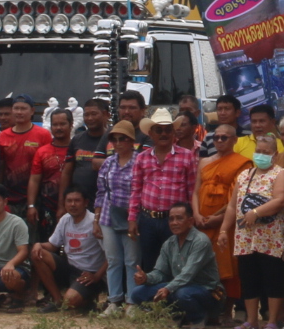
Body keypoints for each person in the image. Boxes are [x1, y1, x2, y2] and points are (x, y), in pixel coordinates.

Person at [223, 127, 284, 329]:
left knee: (273, 278)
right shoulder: (245, 175)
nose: (260, 155)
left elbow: (280, 200)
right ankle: (251, 321)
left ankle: (271, 320)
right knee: (249, 278)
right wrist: (224, 230)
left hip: (271, 238)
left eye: (265, 152)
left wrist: (256, 212)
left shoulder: (280, 174)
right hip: (245, 237)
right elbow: (233, 205)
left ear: (275, 154)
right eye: (258, 151)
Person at [132, 202, 223, 328]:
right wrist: (146, 278)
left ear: (190, 221)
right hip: (179, 288)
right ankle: (177, 315)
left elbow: (187, 274)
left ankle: (199, 317)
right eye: (171, 219)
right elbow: (160, 272)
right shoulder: (169, 243)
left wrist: (168, 289)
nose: (174, 223)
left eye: (179, 218)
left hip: (207, 291)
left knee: (181, 293)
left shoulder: (201, 241)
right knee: (137, 293)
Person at [130, 108, 198, 270]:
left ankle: (173, 295)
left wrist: (191, 219)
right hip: (148, 220)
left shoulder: (187, 156)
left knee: (177, 263)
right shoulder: (141, 158)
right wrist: (132, 219)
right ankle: (154, 295)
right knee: (150, 264)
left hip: (176, 220)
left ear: (174, 133)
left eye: (168, 130)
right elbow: (136, 190)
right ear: (151, 133)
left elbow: (192, 190)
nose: (164, 134)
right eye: (159, 130)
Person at [195, 122, 249, 309]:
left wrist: (217, 220)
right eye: (215, 137)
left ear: (234, 140)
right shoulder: (204, 161)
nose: (219, 140)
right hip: (202, 222)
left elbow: (237, 199)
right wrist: (196, 214)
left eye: (224, 137)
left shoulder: (242, 164)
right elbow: (195, 192)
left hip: (226, 224)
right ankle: (208, 309)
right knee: (203, 266)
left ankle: (227, 310)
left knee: (228, 267)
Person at [32, 188, 107, 312]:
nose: (73, 204)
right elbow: (52, 245)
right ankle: (57, 300)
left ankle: (88, 298)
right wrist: (38, 245)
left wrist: (97, 276)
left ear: (86, 202)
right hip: (70, 267)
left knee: (70, 301)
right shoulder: (65, 219)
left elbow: (112, 254)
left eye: (77, 200)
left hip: (88, 274)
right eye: (69, 201)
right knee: (37, 254)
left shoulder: (95, 222)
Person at [97, 121, 140, 310]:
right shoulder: (108, 162)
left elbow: (140, 191)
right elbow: (100, 191)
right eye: (114, 139)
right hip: (108, 215)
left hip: (132, 216)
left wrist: (135, 217)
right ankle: (114, 300)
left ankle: (132, 301)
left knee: (132, 260)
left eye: (122, 138)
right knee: (113, 259)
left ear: (131, 141)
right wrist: (96, 220)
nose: (118, 142)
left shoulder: (140, 161)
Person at [0, 95, 52, 217]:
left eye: (23, 108)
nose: (19, 112)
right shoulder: (3, 136)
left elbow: (48, 167)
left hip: (36, 198)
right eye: (16, 108)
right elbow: (2, 166)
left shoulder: (43, 134)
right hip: (10, 197)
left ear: (32, 111)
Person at [30, 107, 76, 228]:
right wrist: (31, 205)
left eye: (62, 124)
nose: (58, 128)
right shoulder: (42, 152)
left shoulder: (78, 149)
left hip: (76, 207)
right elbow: (34, 180)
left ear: (71, 125)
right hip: (47, 207)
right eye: (55, 124)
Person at [63, 98, 112, 208]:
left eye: (94, 114)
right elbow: (67, 173)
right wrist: (62, 205)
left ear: (106, 115)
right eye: (86, 115)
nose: (89, 118)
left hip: (108, 205)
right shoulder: (76, 140)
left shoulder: (115, 139)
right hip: (80, 207)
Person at [201, 95, 245, 159]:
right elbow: (203, 164)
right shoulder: (209, 137)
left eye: (227, 109)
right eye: (219, 109)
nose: (222, 113)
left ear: (237, 113)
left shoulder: (248, 135)